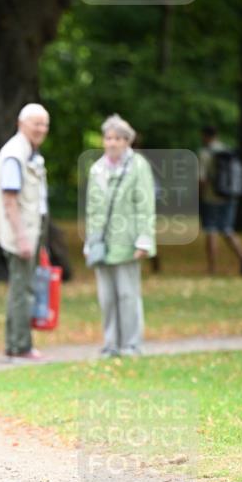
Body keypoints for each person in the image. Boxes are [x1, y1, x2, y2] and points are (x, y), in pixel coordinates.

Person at [84, 114, 156, 357]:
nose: (112, 142)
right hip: (102, 243)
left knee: (127, 294)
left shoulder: (138, 166)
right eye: (108, 138)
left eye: (117, 138)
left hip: (128, 241)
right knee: (106, 297)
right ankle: (111, 344)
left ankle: (131, 345)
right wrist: (90, 241)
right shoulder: (97, 169)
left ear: (127, 141)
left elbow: (145, 205)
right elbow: (92, 209)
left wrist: (144, 239)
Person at [0, 103, 50, 360]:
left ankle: (15, 344)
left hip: (29, 230)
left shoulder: (28, 152)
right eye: (36, 123)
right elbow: (10, 200)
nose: (41, 129)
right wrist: (22, 237)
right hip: (21, 232)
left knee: (20, 287)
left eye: (45, 124)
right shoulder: (14, 154)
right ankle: (21, 346)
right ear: (21, 124)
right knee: (22, 289)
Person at [198, 125, 242, 275]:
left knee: (211, 230)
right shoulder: (227, 150)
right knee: (227, 228)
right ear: (217, 135)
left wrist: (199, 195)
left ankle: (212, 268)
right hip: (229, 195)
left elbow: (202, 179)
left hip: (211, 197)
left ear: (205, 136)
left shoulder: (205, 153)